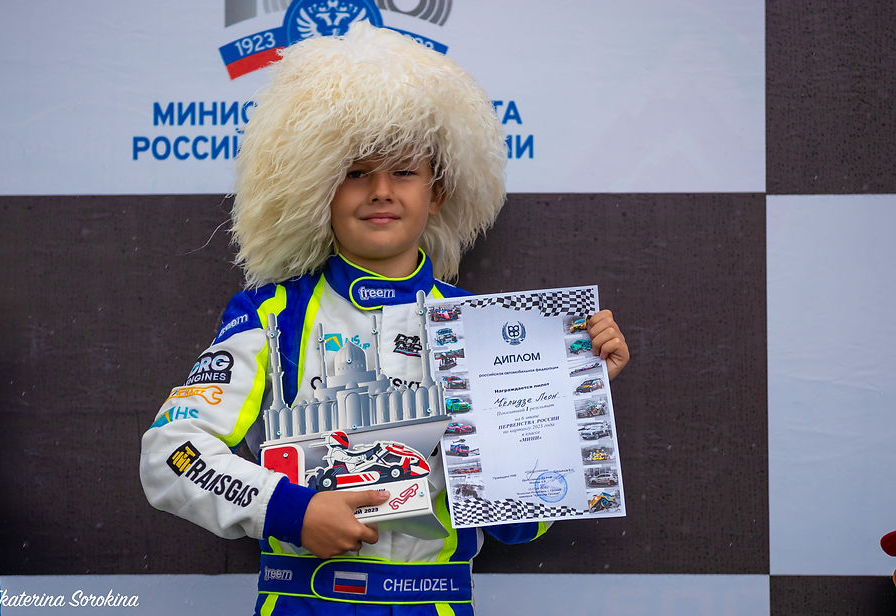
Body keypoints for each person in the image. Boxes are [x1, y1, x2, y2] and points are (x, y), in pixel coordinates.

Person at [139, 22, 629, 615]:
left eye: (403, 171)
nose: (380, 191)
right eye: (355, 172)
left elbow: (517, 525)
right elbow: (171, 454)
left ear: (437, 191)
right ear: (318, 188)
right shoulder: (272, 314)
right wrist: (291, 510)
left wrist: (569, 393)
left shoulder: (483, 329)